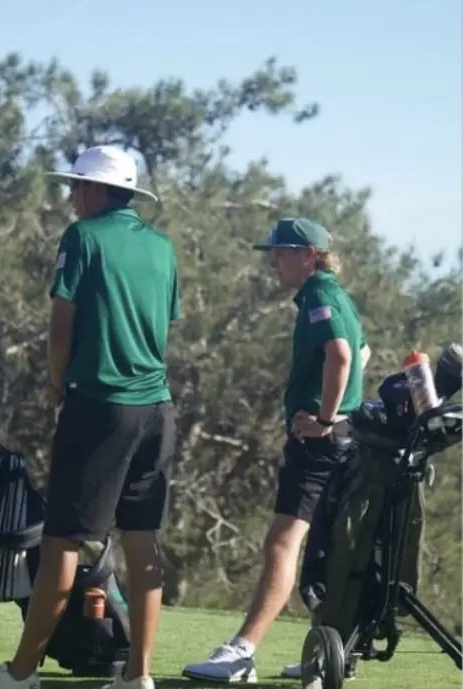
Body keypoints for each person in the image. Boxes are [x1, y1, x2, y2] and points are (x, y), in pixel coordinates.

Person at [0, 145, 181, 689]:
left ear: (98, 189)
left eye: (76, 186)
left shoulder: (82, 237)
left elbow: (61, 326)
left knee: (61, 541)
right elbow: (161, 324)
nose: (72, 195)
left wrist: (57, 382)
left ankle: (21, 674)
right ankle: (138, 676)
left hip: (99, 406)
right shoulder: (162, 245)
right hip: (157, 410)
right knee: (142, 540)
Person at [182, 217, 371, 684]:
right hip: (343, 438)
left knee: (282, 542)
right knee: (326, 549)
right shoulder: (333, 294)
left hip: (320, 443)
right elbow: (363, 353)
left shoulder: (320, 295)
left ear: (309, 255)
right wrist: (339, 412)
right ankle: (327, 655)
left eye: (281, 252)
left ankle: (241, 653)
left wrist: (325, 418)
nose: (274, 262)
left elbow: (343, 355)